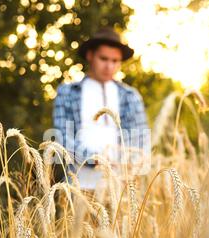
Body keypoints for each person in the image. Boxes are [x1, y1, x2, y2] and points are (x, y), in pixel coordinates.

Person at [53, 26, 150, 192]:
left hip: (119, 188)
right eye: (104, 59)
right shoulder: (67, 92)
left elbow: (141, 138)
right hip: (78, 185)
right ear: (90, 56)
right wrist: (95, 159)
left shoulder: (130, 96)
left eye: (115, 61)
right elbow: (63, 137)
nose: (109, 66)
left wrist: (127, 164)